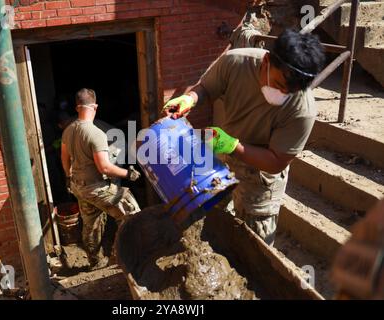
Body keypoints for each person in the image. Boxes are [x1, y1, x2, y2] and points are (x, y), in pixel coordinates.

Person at [163, 29, 325, 245]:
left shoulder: (302, 109)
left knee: (255, 242)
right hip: (223, 161)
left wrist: (233, 146)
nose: (282, 94)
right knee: (212, 222)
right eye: (278, 85)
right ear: (267, 61)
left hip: (260, 173)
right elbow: (206, 89)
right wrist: (190, 99)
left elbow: (276, 161)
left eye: (290, 91)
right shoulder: (235, 63)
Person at [61, 88, 142, 270]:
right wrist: (128, 174)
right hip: (97, 187)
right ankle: (119, 257)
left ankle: (96, 262)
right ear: (95, 106)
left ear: (77, 107)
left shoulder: (68, 130)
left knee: (91, 224)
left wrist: (69, 176)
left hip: (79, 187)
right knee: (132, 214)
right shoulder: (96, 133)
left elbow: (64, 159)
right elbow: (104, 167)